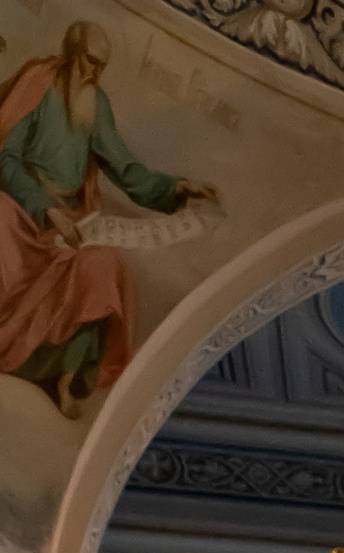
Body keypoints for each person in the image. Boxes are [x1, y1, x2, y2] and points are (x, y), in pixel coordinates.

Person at [0, 23, 217, 418]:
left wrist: (178, 188)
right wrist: (43, 208)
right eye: (90, 62)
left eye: (102, 66)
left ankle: (65, 379)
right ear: (72, 51)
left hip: (69, 223)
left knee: (103, 266)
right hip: (20, 206)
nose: (95, 73)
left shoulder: (94, 104)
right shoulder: (39, 81)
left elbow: (125, 168)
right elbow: (6, 157)